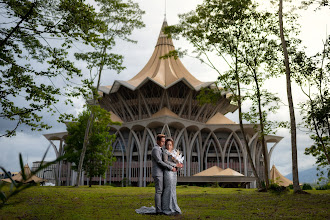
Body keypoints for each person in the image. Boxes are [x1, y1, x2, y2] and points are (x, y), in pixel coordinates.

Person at [151, 134, 176, 214]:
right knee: (159, 191)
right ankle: (158, 210)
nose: (163, 143)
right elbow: (159, 161)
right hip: (158, 173)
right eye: (162, 141)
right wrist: (170, 167)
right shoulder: (155, 149)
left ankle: (161, 208)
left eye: (164, 141)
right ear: (157, 141)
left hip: (162, 173)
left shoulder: (160, 149)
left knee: (161, 191)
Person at [162, 138, 183, 215]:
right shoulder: (165, 152)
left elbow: (177, 161)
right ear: (165, 145)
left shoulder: (174, 152)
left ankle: (173, 206)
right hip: (168, 172)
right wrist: (175, 165)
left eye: (170, 144)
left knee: (173, 189)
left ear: (172, 145)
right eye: (167, 144)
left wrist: (179, 164)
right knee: (168, 188)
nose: (169, 146)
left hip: (174, 172)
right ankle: (166, 207)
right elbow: (165, 161)